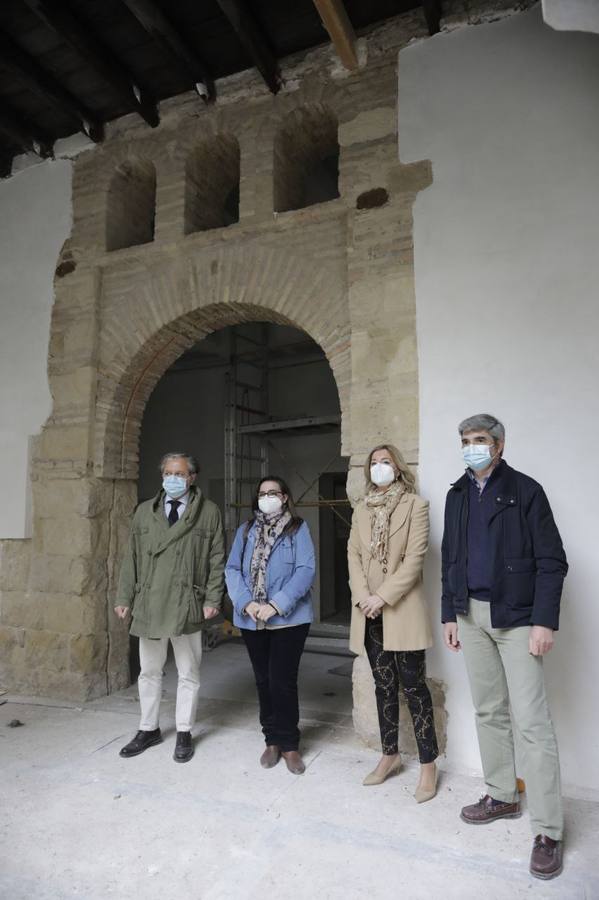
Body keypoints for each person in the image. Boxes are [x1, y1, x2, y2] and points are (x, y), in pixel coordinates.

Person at [441, 414, 567, 880]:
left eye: (479, 440)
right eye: (465, 441)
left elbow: (552, 561)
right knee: (488, 710)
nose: (472, 447)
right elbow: (449, 559)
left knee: (532, 721)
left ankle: (549, 831)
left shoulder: (526, 490)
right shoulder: (457, 494)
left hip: (517, 619)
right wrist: (450, 614)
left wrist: (543, 621)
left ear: (498, 444)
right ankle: (502, 795)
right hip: (470, 616)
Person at [114, 451, 224, 763]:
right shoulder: (144, 512)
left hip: (187, 602)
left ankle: (185, 731)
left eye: (180, 474)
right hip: (150, 601)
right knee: (149, 670)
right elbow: (130, 558)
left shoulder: (209, 512)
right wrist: (124, 598)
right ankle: (148, 728)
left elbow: (217, 559)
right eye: (168, 473)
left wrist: (212, 599)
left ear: (192, 478)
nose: (173, 479)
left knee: (189, 671)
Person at [348, 444, 439, 802]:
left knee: (414, 687)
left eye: (385, 462)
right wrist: (362, 597)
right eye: (374, 463)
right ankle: (390, 755)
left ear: (398, 468)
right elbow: (353, 555)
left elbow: (414, 560)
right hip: (368, 611)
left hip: (400, 609)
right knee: (383, 686)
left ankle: (429, 764)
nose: (379, 467)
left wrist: (381, 596)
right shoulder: (360, 510)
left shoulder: (416, 506)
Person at [225, 476, 315, 775]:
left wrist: (275, 604)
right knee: (263, 680)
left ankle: (290, 744)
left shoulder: (298, 528)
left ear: (285, 497)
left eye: (273, 492)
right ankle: (271, 739)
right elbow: (232, 568)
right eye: (262, 493)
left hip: (288, 619)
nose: (267, 497)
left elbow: (305, 569)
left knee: (282, 681)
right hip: (251, 619)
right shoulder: (246, 530)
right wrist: (246, 603)